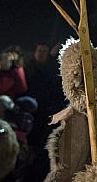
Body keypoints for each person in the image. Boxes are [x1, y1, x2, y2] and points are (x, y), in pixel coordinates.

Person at [24, 42, 66, 182]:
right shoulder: (28, 68)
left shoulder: (49, 70)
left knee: (38, 150)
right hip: (27, 112)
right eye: (39, 50)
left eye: (44, 51)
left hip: (43, 115)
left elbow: (52, 81)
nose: (41, 53)